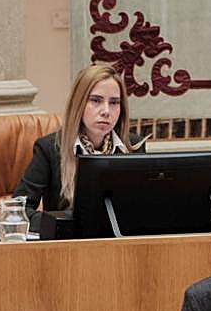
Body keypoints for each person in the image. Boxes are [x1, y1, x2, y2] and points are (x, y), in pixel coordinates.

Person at [14, 63, 140, 227]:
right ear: (78, 104)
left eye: (114, 102)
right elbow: (18, 211)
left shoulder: (133, 147)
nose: (106, 111)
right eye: (96, 100)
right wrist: (61, 224)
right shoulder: (50, 148)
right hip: (69, 246)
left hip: (120, 245)